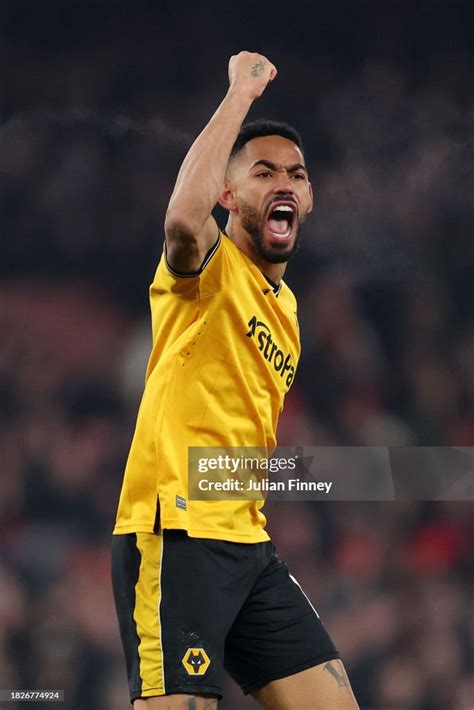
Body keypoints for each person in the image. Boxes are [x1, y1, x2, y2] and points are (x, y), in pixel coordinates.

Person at [111, 51, 359, 709]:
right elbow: (181, 224)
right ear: (228, 195)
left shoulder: (288, 313)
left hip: (248, 545)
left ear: (307, 199)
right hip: (177, 534)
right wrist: (239, 97)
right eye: (264, 171)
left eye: (297, 174)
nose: (285, 182)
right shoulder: (207, 272)